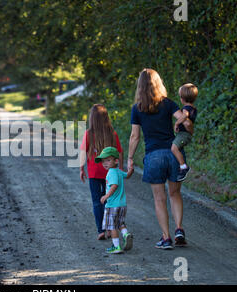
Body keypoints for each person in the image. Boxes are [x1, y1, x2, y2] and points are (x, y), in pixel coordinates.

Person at [128, 68, 193, 249]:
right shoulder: (169, 103)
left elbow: (135, 137)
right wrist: (181, 126)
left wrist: (130, 158)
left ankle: (166, 238)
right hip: (173, 154)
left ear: (140, 86)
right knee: (175, 193)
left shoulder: (137, 108)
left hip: (153, 156)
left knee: (159, 199)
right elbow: (186, 121)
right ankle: (179, 229)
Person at [80, 104, 123, 240]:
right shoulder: (112, 133)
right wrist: (119, 168)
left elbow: (82, 152)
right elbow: (119, 152)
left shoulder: (88, 134)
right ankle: (110, 229)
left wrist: (81, 168)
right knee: (109, 200)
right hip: (109, 173)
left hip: (93, 173)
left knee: (97, 201)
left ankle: (101, 230)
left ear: (92, 118)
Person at [94, 147, 134, 254]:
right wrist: (131, 170)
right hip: (122, 204)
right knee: (120, 223)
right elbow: (128, 175)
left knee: (112, 227)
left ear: (116, 161)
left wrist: (106, 196)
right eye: (103, 161)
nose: (105, 163)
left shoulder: (111, 172)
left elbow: (114, 185)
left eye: (108, 160)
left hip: (112, 205)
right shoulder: (119, 171)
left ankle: (116, 246)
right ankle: (126, 234)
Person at [171, 83, 198, 181]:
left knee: (174, 148)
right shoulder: (193, 108)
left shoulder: (186, 109)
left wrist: (177, 123)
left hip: (184, 135)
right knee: (177, 148)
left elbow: (184, 116)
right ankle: (180, 164)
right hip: (186, 134)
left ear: (182, 98)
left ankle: (183, 167)